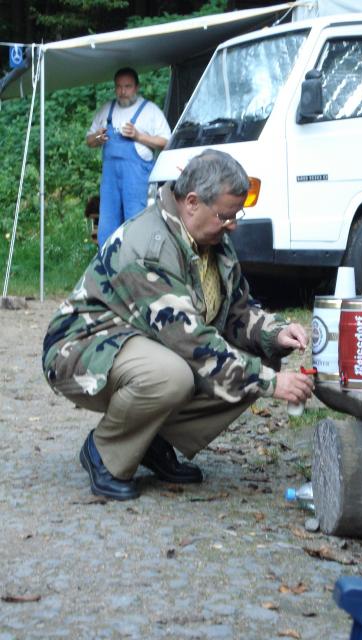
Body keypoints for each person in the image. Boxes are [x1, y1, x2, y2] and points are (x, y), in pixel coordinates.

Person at [42, 149, 314, 501]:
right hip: (81, 347)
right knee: (172, 375)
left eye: (236, 215)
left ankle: (152, 441)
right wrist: (271, 382)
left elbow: (237, 312)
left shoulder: (212, 240)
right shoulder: (150, 248)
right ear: (191, 202)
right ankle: (105, 453)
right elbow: (192, 344)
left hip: (145, 342)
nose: (233, 225)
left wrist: (274, 332)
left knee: (260, 354)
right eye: (225, 216)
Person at [86, 67, 171, 248]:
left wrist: (139, 137)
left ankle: (136, 267)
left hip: (136, 181)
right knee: (107, 226)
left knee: (137, 224)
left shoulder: (150, 111)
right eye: (119, 87)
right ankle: (107, 268)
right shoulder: (106, 110)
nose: (123, 92)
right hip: (110, 183)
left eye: (127, 87)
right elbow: (89, 140)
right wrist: (97, 138)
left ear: (137, 87)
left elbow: (167, 142)